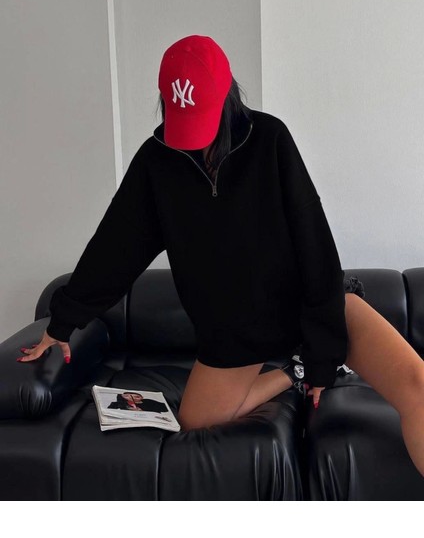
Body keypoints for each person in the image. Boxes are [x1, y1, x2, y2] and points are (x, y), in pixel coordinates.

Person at [16, 35, 424, 477]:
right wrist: (62, 323)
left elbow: (315, 242)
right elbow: (115, 248)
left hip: (309, 304)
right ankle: (294, 370)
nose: (195, 140)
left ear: (228, 94)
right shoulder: (156, 163)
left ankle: (309, 361)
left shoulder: (269, 138)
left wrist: (325, 351)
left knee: (417, 387)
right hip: (237, 331)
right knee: (196, 421)